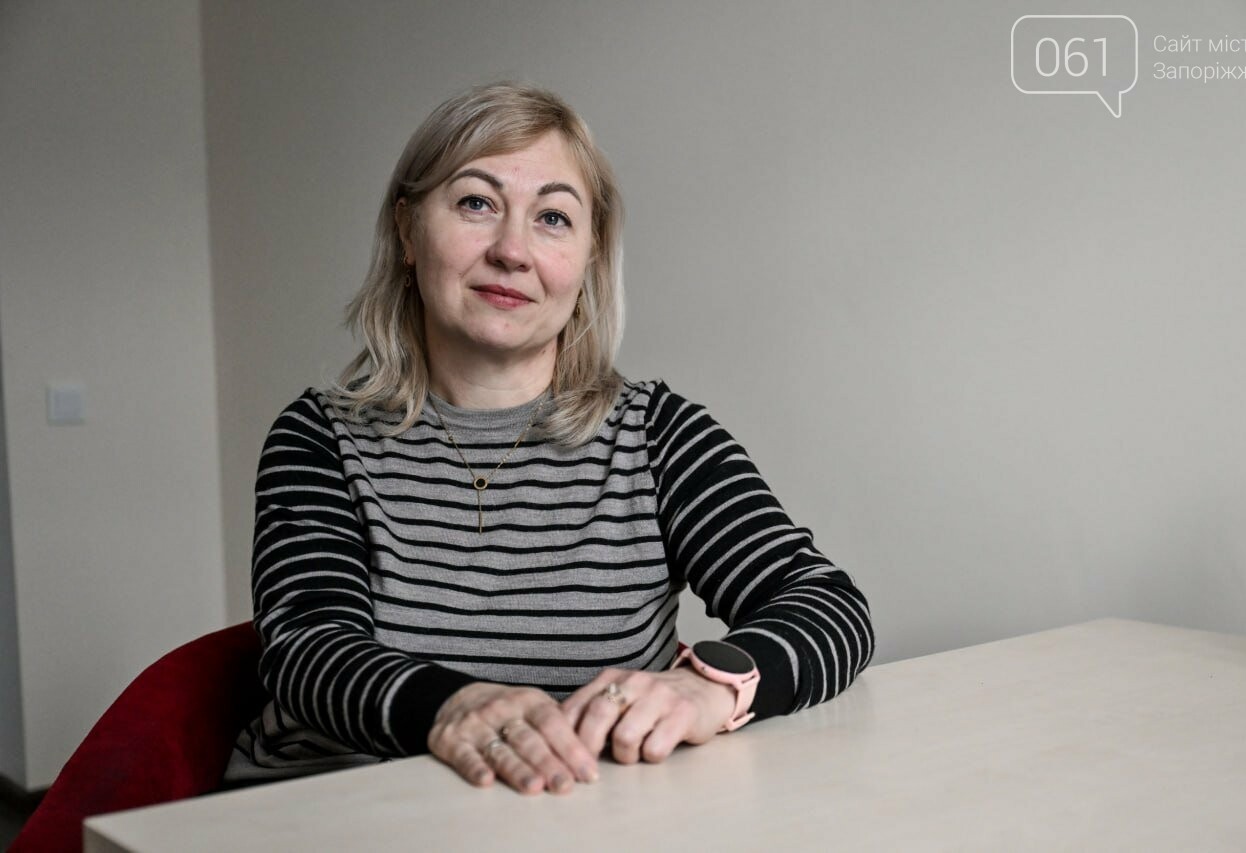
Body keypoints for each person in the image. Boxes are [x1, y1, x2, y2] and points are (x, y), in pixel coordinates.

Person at [225, 82, 874, 795]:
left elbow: (827, 604)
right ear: (408, 231)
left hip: (572, 816)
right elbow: (309, 649)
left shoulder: (657, 434)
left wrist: (708, 687)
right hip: (341, 813)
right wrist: (455, 705)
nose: (512, 250)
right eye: (477, 203)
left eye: (554, 218)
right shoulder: (318, 436)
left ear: (590, 259)